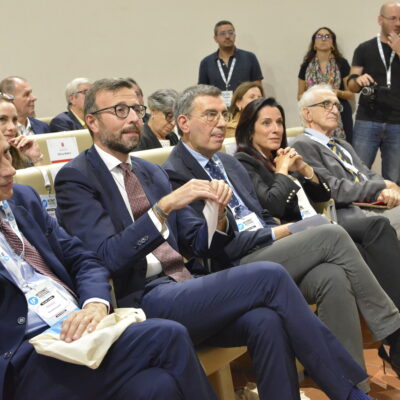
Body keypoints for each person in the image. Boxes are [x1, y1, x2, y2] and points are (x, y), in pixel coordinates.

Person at [55, 78, 377, 400]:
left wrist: (217, 214)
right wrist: (162, 209)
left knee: (265, 320)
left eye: (137, 110)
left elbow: (198, 244)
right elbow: (106, 257)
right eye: (120, 110)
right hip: (143, 298)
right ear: (92, 121)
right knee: (270, 275)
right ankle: (349, 393)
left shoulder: (149, 171)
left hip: (186, 283)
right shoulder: (77, 178)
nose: (133, 119)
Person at [162, 84, 400, 389]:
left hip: (263, 247)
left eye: (223, 115)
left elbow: (261, 214)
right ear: (183, 123)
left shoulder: (228, 162)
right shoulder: (175, 173)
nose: (221, 123)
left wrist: (276, 232)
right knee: (332, 234)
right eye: (210, 115)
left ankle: (352, 388)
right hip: (230, 266)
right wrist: (280, 231)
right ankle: (393, 330)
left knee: (332, 276)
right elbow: (205, 248)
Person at [0, 134, 216, 400]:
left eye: (7, 154)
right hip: (24, 354)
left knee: (159, 385)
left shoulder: (22, 199)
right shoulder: (72, 178)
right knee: (168, 335)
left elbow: (83, 259)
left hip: (78, 329)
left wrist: (94, 303)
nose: (9, 169)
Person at [234, 95, 400, 333]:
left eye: (279, 122)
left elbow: (323, 195)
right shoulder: (244, 162)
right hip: (295, 235)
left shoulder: (280, 156)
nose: (276, 129)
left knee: (375, 232)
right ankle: (394, 330)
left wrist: (305, 170)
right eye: (267, 123)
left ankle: (390, 329)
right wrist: (283, 170)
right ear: (250, 130)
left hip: (318, 225)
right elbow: (274, 206)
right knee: (371, 232)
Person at [293, 84, 400, 238]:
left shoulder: (342, 145)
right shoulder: (302, 144)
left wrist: (386, 191)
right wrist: (383, 185)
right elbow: (332, 188)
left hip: (374, 205)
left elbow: (367, 174)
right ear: (307, 113)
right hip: (351, 213)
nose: (335, 110)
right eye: (326, 104)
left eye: (337, 105)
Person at [347, 1, 400, 184]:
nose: (398, 23)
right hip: (367, 120)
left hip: (398, 122)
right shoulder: (365, 48)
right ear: (380, 20)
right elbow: (350, 84)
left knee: (394, 179)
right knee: (357, 175)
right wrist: (358, 81)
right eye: (393, 18)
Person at [298, 27, 354, 142]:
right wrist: (314, 95)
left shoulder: (342, 63)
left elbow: (351, 94)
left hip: (339, 113)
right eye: (319, 36)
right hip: (314, 114)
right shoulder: (306, 65)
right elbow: (299, 96)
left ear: (332, 43)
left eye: (327, 36)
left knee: (342, 148)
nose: (323, 39)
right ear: (314, 44)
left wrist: (337, 93)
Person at [198, 20, 263, 107]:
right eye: (222, 33)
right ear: (215, 38)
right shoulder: (206, 62)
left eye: (231, 33)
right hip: (217, 111)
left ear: (235, 36)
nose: (227, 36)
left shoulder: (249, 58)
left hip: (245, 111)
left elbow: (258, 89)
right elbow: (202, 94)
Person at [0, 95, 44, 169]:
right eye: (2, 119)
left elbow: (41, 177)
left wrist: (36, 158)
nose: (12, 127)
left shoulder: (20, 156)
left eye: (14, 120)